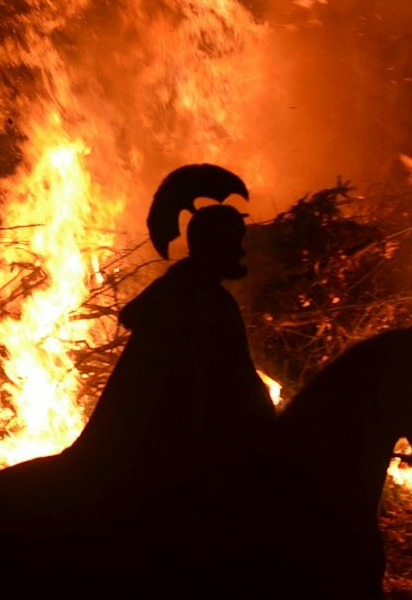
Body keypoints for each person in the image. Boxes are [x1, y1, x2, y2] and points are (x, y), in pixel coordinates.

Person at [67, 164, 277, 502]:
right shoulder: (198, 301)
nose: (241, 252)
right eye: (234, 242)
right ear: (214, 246)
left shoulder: (186, 291)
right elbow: (199, 386)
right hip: (166, 446)